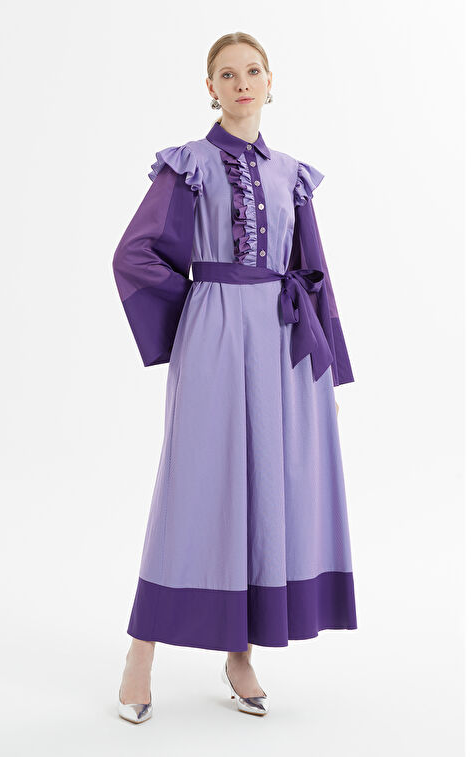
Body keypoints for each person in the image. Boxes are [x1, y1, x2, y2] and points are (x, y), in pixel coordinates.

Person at [112, 31, 358, 723]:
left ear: (270, 82)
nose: (241, 82)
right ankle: (140, 651)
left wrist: (329, 374)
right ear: (210, 88)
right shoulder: (189, 165)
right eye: (227, 74)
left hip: (282, 347)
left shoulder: (291, 175)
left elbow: (313, 273)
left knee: (264, 492)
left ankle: (240, 652)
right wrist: (196, 311)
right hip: (216, 338)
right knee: (193, 488)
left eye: (252, 71)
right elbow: (135, 254)